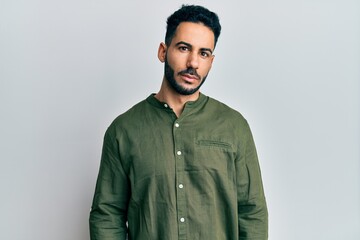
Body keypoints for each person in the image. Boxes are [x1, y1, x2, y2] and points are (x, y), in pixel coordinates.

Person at [89, 4, 268, 240]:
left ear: (211, 62)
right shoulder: (123, 130)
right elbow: (107, 215)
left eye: (203, 53)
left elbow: (252, 211)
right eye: (184, 48)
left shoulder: (234, 126)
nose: (193, 62)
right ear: (163, 51)